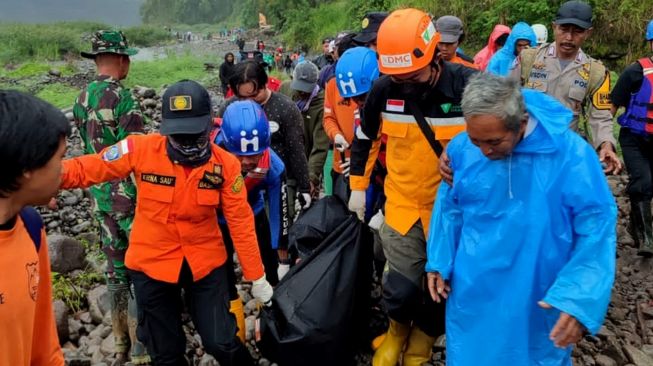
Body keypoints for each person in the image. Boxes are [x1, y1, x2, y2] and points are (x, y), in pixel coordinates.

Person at [61, 80, 273, 366]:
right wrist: (42, 175)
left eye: (193, 135)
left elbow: (240, 220)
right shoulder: (140, 150)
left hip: (204, 264)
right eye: (179, 136)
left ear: (208, 127)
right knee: (166, 352)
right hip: (152, 263)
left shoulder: (225, 165)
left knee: (222, 342)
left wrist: (256, 275)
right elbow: (90, 167)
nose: (186, 143)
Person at [426, 73, 616, 365]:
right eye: (476, 140)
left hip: (538, 287)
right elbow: (450, 207)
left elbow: (596, 228)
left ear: (522, 122)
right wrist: (439, 260)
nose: (484, 151)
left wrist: (579, 297)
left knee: (534, 353)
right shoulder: (464, 149)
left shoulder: (570, 155)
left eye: (494, 142)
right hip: (475, 285)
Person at [348, 9, 476, 366]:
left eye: (413, 76)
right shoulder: (383, 90)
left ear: (435, 53)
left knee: (441, 289)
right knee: (401, 289)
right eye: (398, 76)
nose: (406, 84)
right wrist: (358, 187)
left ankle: (421, 345)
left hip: (452, 211)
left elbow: (499, 140)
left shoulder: (469, 86)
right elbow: (365, 137)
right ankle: (395, 333)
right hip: (402, 205)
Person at [75, 30, 150, 365]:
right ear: (121, 60)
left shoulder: (81, 99)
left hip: (100, 197)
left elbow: (89, 152)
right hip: (129, 199)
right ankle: (140, 346)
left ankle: (119, 339)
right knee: (139, 269)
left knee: (115, 270)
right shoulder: (124, 99)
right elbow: (137, 153)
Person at [512, 0, 622, 175]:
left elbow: (600, 117)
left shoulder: (596, 72)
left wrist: (606, 145)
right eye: (564, 29)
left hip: (564, 154)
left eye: (577, 32)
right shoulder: (528, 59)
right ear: (554, 27)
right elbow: (503, 99)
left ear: (588, 33)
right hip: (524, 149)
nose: (569, 38)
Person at [0, 91, 68, 366]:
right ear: (27, 166)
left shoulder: (30, 227)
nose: (63, 170)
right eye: (60, 158)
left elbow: (44, 346)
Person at [214, 100, 290, 343]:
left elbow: (279, 209)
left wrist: (282, 254)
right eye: (240, 156)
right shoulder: (208, 152)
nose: (247, 163)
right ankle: (233, 318)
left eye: (254, 155)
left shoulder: (272, 165)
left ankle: (266, 315)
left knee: (267, 258)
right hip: (216, 218)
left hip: (252, 210)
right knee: (222, 267)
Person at [219, 61, 312, 219]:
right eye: (243, 97)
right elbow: (220, 146)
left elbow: (296, 150)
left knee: (277, 225)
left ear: (264, 84)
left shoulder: (285, 108)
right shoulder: (230, 108)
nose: (250, 102)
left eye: (254, 95)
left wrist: (304, 187)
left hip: (278, 178)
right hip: (240, 180)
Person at [610, 19, 653, 257]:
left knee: (648, 185)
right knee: (643, 181)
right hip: (634, 138)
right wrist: (607, 142)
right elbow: (611, 106)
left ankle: (636, 225)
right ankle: (646, 239)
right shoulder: (635, 71)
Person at [281, 61, 329, 199]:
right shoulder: (285, 89)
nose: (302, 92)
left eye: (306, 88)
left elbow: (320, 146)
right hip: (284, 159)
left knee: (307, 202)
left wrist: (312, 177)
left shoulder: (322, 103)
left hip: (307, 160)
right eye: (299, 87)